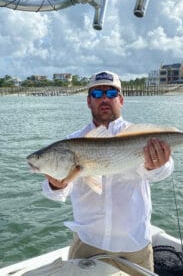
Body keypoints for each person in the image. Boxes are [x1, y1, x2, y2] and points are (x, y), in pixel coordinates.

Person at [42, 70, 174, 275]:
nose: (104, 98)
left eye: (111, 93)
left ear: (121, 99)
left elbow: (163, 172)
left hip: (134, 244)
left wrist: (157, 164)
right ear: (88, 101)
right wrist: (55, 184)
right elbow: (56, 193)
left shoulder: (141, 136)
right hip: (87, 243)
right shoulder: (72, 142)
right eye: (97, 94)